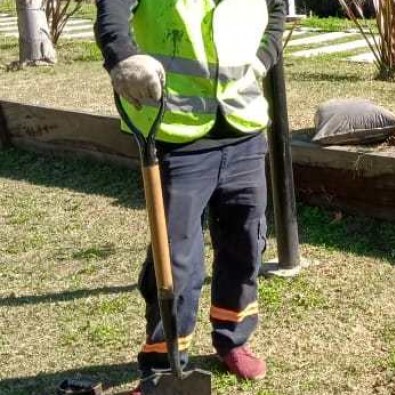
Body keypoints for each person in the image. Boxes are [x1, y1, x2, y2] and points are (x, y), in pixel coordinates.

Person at [94, 0, 285, 390]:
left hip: (244, 127)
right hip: (176, 135)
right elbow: (111, 10)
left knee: (247, 242)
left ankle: (233, 337)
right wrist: (123, 58)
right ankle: (165, 360)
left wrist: (262, 60)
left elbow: (278, 11)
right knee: (176, 259)